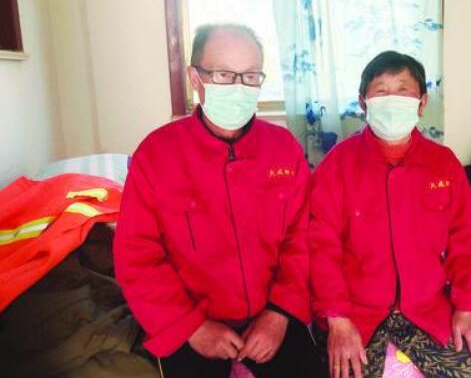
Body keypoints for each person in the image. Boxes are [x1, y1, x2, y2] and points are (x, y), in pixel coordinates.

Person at [114, 24, 326, 378]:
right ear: (195, 78)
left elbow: (302, 238)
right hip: (191, 322)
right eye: (224, 75)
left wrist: (279, 313)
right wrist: (190, 327)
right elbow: (137, 256)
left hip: (273, 313)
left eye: (251, 76)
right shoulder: (156, 155)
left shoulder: (283, 149)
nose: (239, 88)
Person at [309, 51, 471, 378]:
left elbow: (467, 242)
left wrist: (466, 308)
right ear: (364, 103)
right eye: (381, 91)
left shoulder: (443, 164)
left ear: (422, 103)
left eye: (403, 90)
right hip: (355, 309)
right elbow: (319, 246)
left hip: (427, 305)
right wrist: (337, 318)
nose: (392, 100)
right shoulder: (337, 165)